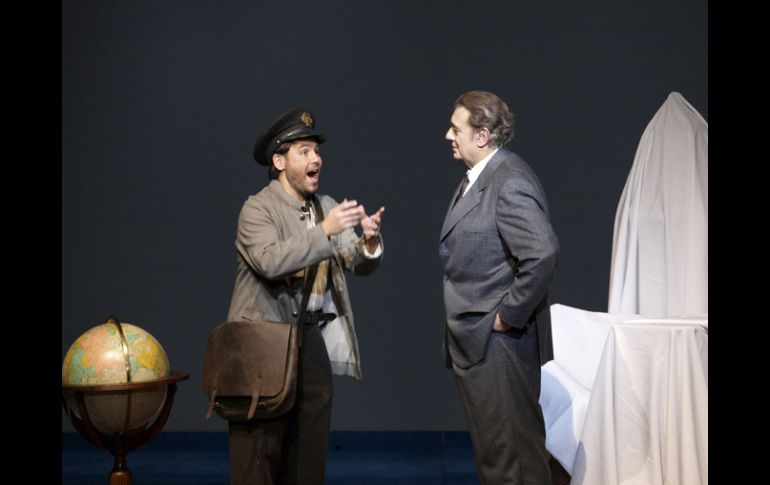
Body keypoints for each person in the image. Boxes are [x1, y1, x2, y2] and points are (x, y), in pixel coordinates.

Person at [226, 107, 384, 485]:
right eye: (304, 151)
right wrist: (324, 233)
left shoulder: (325, 207)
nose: (317, 159)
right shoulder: (258, 208)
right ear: (279, 160)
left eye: (317, 151)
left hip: (310, 344)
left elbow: (354, 261)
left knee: (308, 458)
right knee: (259, 459)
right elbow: (270, 261)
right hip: (264, 344)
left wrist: (369, 242)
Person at [438, 91, 559, 485]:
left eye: (456, 129)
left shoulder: (508, 180)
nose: (448, 136)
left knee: (514, 463)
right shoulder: (479, 180)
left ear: (482, 135)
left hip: (501, 349)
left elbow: (541, 254)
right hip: (480, 348)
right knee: (497, 459)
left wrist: (508, 315)